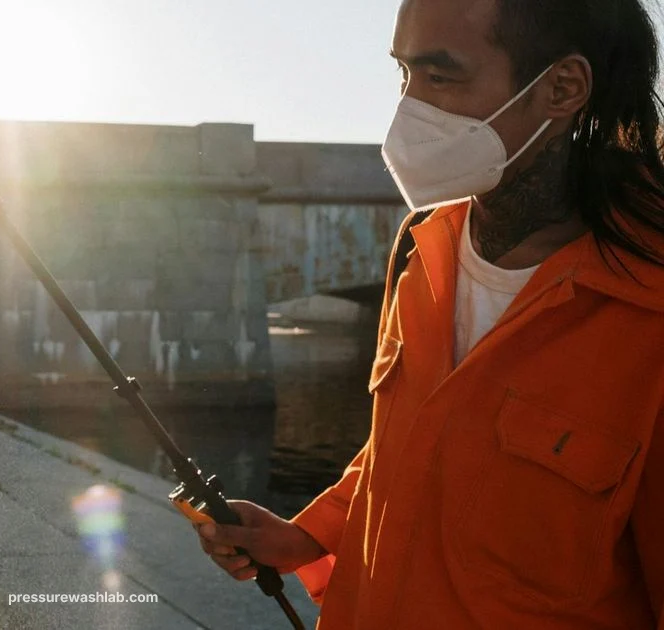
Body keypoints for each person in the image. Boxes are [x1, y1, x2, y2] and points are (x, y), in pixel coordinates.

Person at [196, 0, 664, 627]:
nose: (407, 111)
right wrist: (306, 536)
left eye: (440, 77)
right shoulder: (420, 247)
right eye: (404, 74)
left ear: (562, 88)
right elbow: (405, 446)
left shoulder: (649, 315)